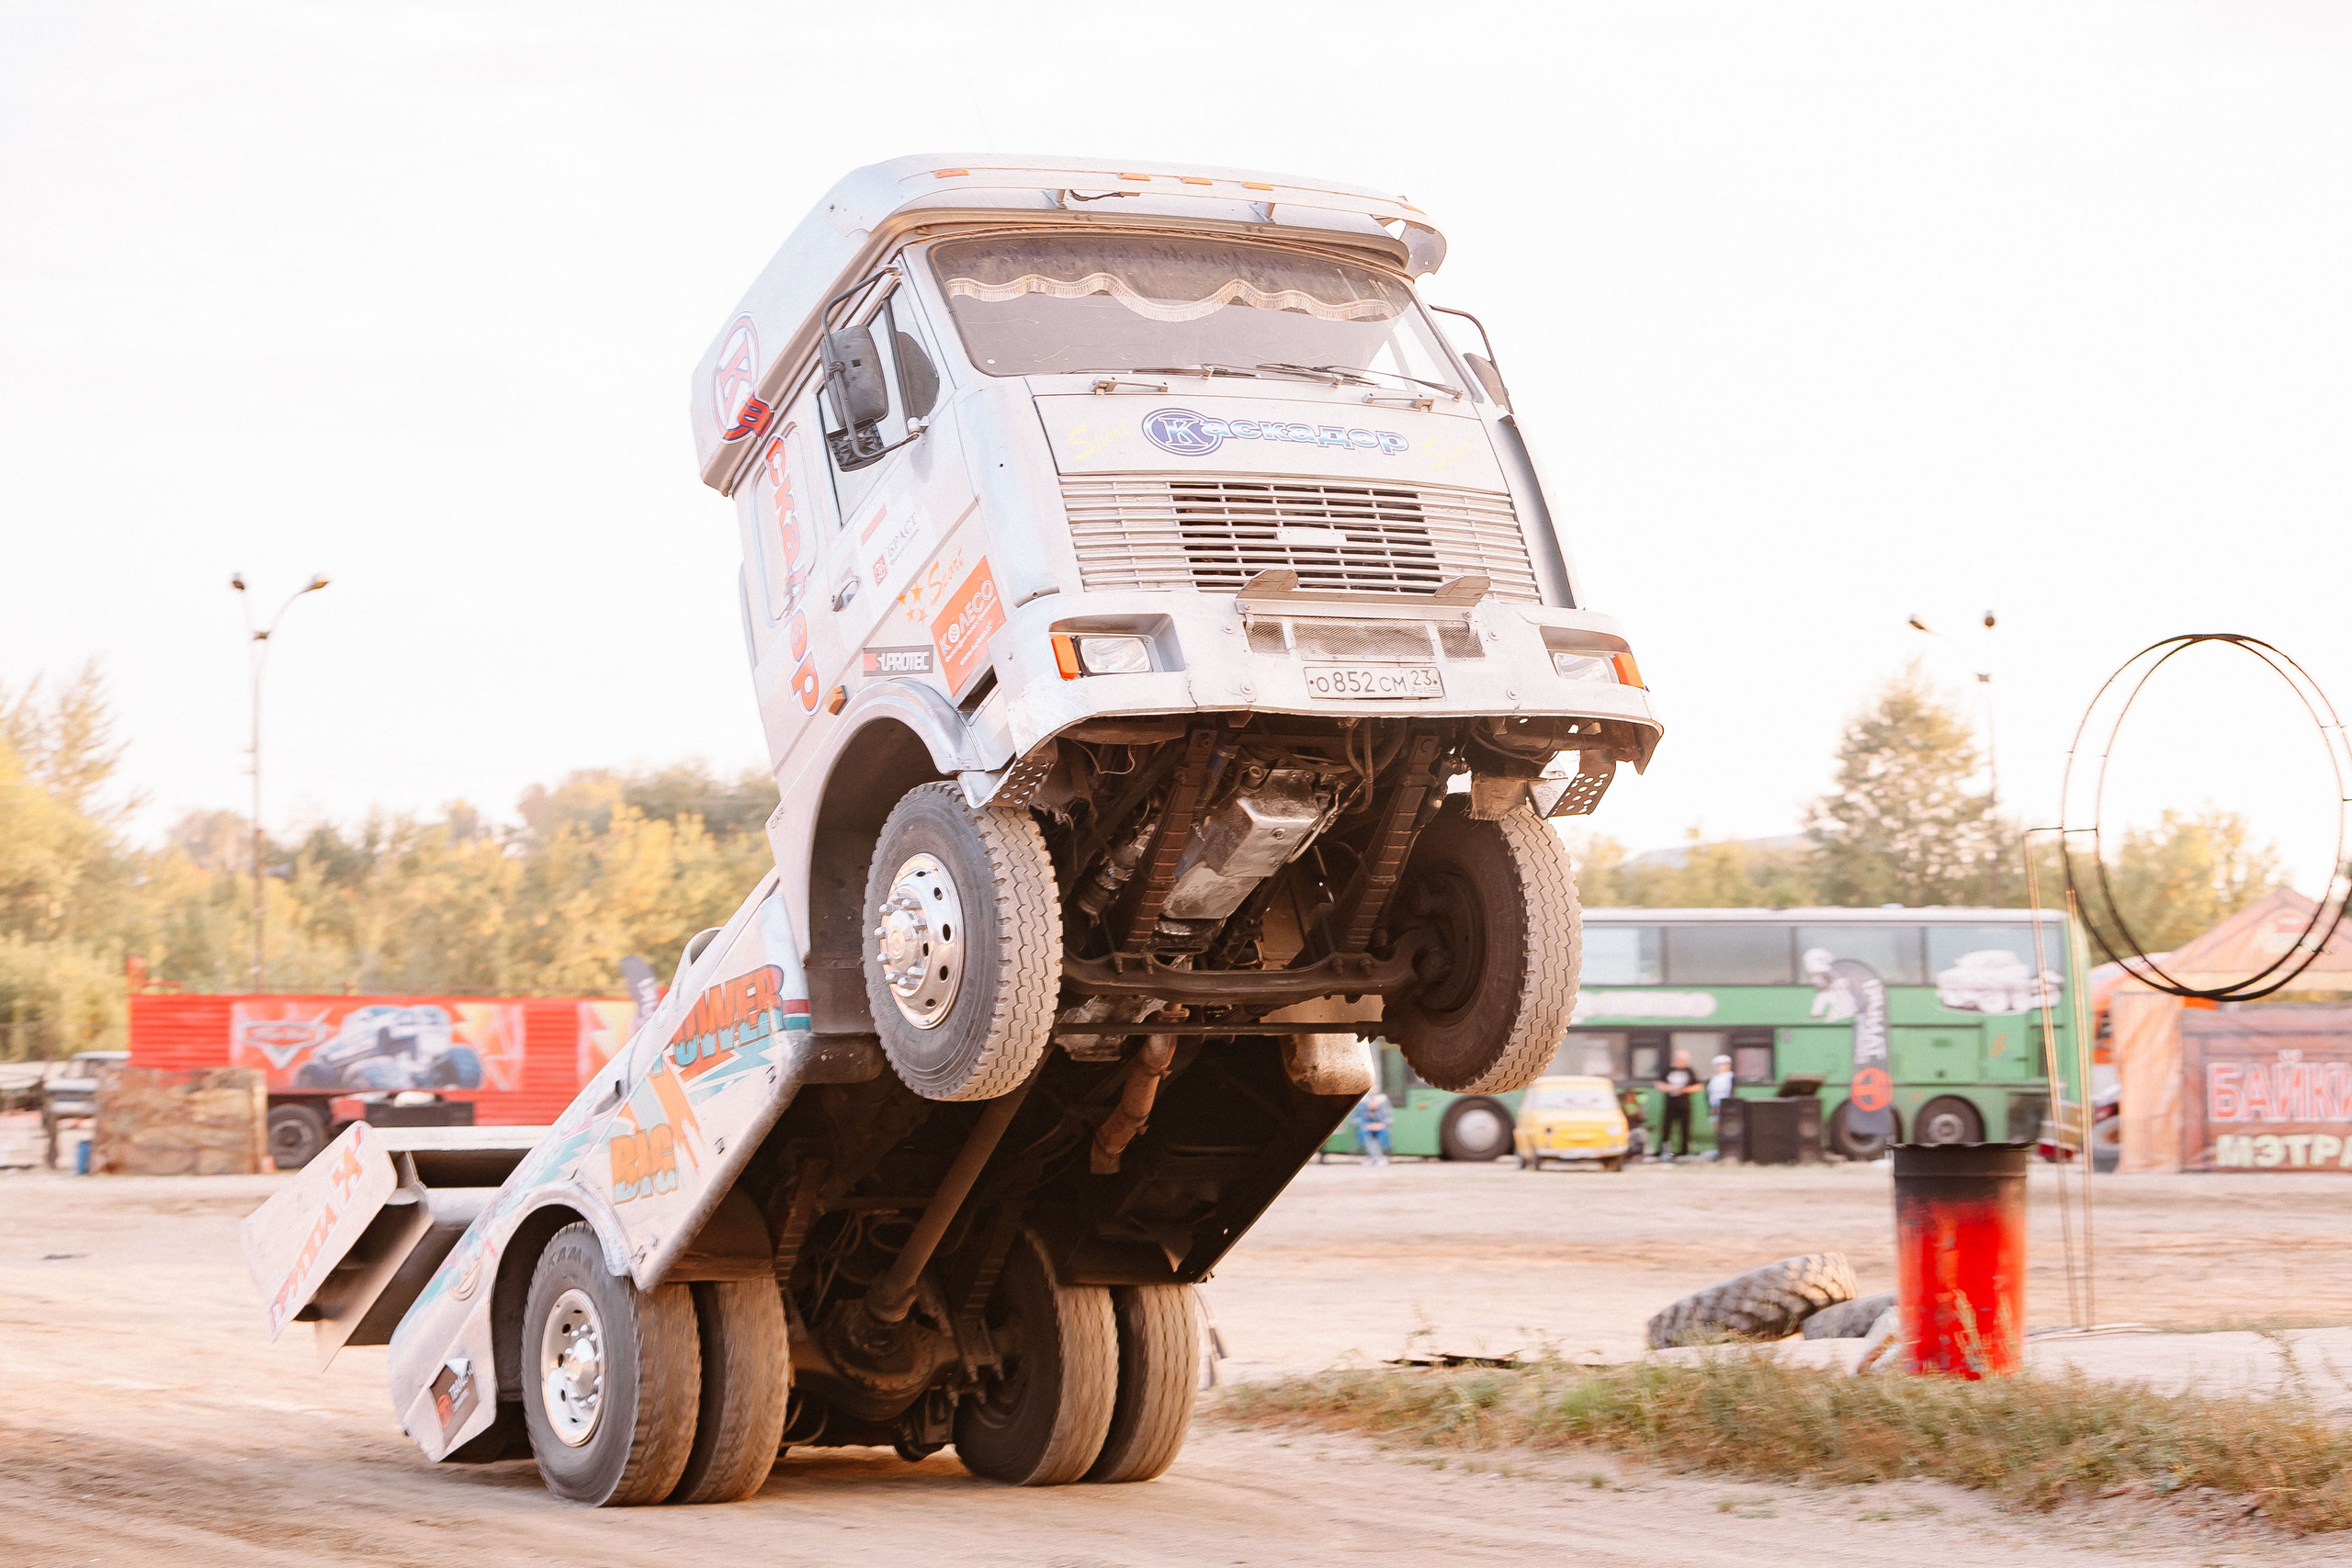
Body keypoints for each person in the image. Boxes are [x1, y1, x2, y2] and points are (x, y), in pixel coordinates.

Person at [1657, 1048, 1699, 1158]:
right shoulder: (1668, 1070)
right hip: (1670, 1105)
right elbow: (1659, 1085)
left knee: (1685, 1129)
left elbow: (1698, 1086)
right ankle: (1665, 1152)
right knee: (1667, 1129)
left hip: (1684, 1105)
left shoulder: (1690, 1071)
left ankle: (1684, 1152)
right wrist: (1670, 1088)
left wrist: (1683, 1090)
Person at [1354, 1088, 1394, 1167]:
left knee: (1384, 1133)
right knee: (1364, 1133)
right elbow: (1355, 1119)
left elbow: (1389, 1119)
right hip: (1366, 1126)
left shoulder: (1383, 1107)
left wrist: (1381, 1125)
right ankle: (1375, 1157)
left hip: (1380, 1127)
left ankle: (1375, 1156)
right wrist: (1367, 1125)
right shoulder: (1361, 1106)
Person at [1617, 1085, 1650, 1160]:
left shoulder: (1638, 1105)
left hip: (1635, 1128)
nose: (1632, 1096)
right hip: (1623, 1129)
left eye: (1633, 1095)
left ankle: (1642, 1156)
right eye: (1629, 1095)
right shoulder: (1620, 1106)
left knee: (1642, 1134)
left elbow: (1642, 1118)